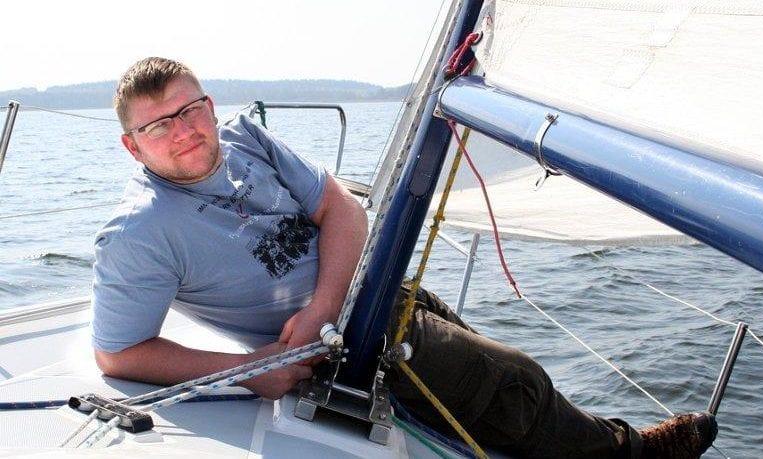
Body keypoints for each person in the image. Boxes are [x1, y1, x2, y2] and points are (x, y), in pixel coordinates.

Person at [91, 57, 716, 458]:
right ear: (131, 146)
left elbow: (342, 208)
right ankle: (633, 454)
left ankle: (599, 439)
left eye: (191, 108)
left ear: (209, 103)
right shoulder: (138, 233)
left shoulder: (244, 137)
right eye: (159, 125)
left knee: (496, 391)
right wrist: (247, 369)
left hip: (373, 288)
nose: (185, 130)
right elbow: (119, 353)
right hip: (351, 344)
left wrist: (324, 304)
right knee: (515, 380)